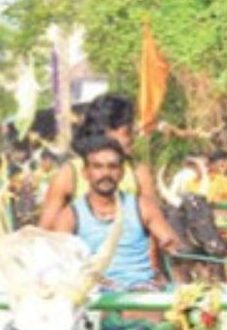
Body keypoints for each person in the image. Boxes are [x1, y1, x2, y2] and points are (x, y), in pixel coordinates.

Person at [49, 135, 188, 330]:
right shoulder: (71, 214)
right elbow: (58, 257)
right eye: (97, 167)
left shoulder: (141, 206)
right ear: (87, 174)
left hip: (141, 291)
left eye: (112, 166)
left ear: (121, 173)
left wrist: (169, 242)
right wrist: (89, 279)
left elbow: (166, 236)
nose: (105, 173)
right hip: (94, 296)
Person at [39, 94, 162, 231]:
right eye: (127, 133)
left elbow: (153, 229)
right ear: (106, 132)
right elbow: (46, 232)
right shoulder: (69, 174)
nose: (133, 139)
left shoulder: (138, 173)